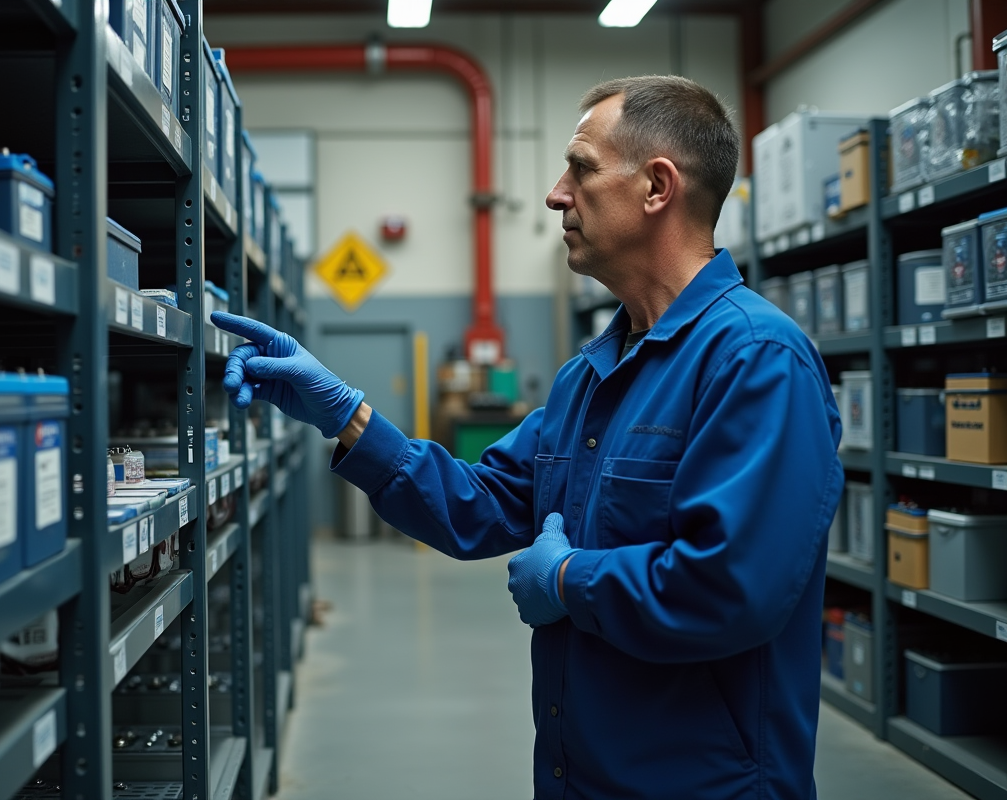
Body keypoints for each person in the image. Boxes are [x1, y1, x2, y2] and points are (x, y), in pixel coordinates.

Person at [212, 75, 843, 800]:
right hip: (578, 777)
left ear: (656, 187)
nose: (554, 195)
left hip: (705, 786)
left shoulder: (757, 360)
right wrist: (345, 415)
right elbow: (479, 503)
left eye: (580, 168)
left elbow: (732, 588)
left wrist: (572, 580)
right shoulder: (589, 377)